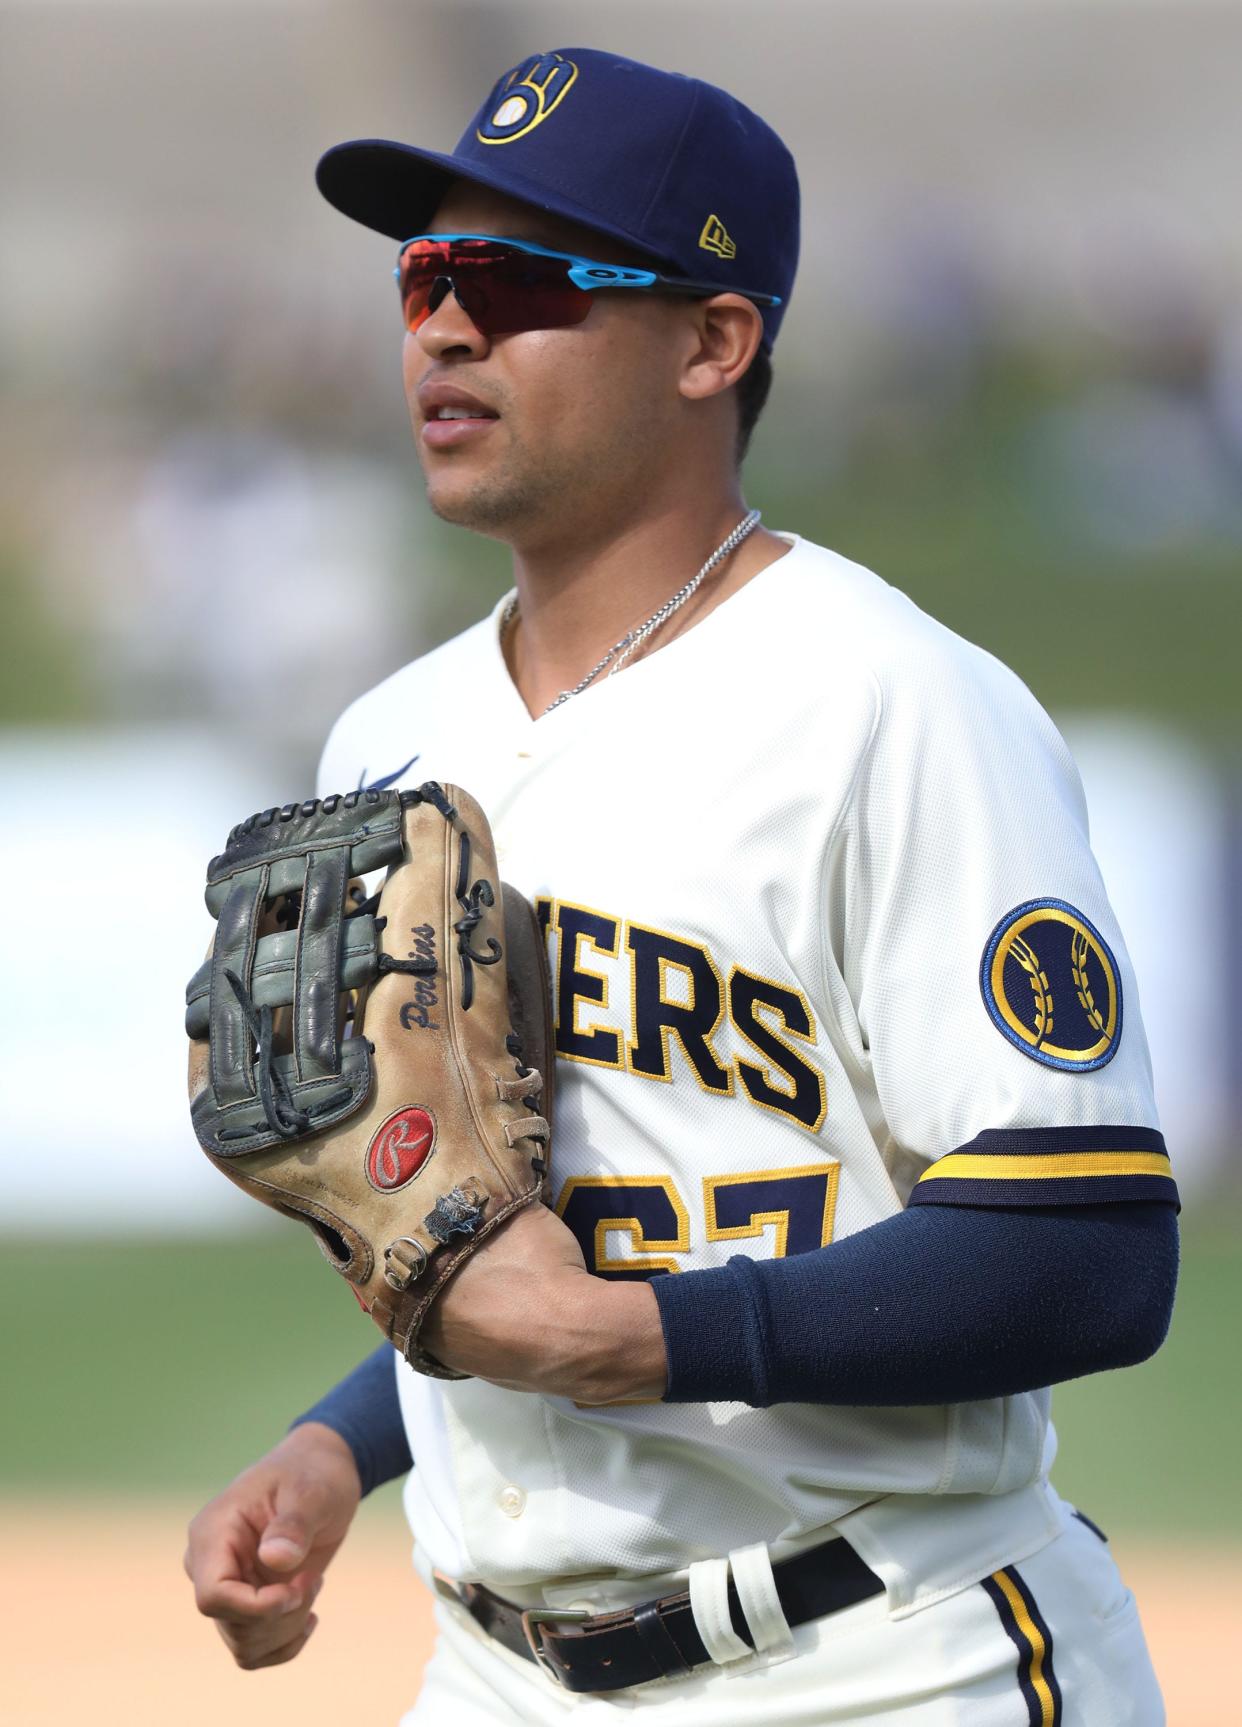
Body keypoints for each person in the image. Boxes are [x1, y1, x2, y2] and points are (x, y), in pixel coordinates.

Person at [184, 47, 1179, 1724]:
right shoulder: (388, 728)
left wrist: (632, 1345)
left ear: (714, 342)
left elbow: (1086, 1251)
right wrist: (340, 1447)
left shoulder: (887, 698)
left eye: (515, 281)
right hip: (497, 1674)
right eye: (426, 275)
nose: (442, 328)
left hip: (875, 1659)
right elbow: (526, 1232)